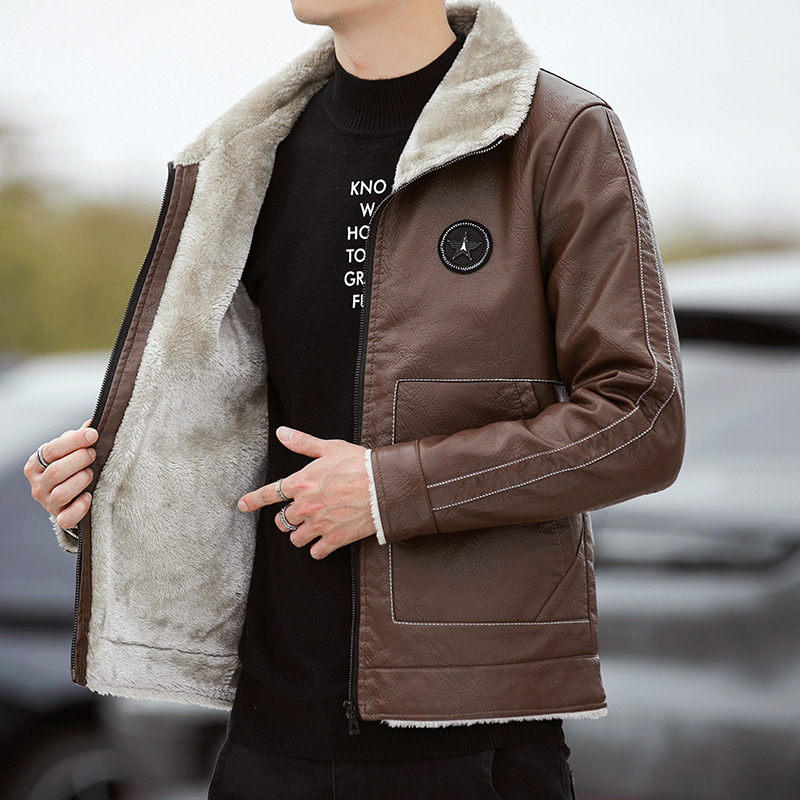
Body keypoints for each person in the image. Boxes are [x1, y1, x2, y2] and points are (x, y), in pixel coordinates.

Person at [24, 0, 686, 797]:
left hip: (467, 742)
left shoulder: (555, 133)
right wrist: (106, 490)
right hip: (267, 738)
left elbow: (640, 417)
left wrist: (389, 490)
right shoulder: (249, 151)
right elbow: (239, 427)